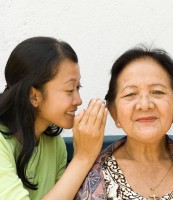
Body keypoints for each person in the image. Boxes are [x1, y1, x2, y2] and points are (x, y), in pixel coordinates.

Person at [76, 46, 173, 199]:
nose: (144, 104)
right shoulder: (94, 174)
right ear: (113, 112)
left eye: (157, 92)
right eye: (130, 94)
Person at [0, 37, 108, 200]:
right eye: (70, 89)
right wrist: (82, 158)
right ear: (34, 95)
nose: (78, 100)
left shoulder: (55, 145)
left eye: (78, 88)